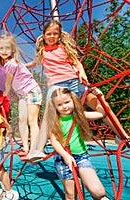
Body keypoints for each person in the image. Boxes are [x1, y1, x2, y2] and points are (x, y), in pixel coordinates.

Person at [26, 20, 129, 152]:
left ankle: (122, 136)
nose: (51, 37)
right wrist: (20, 65)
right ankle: (37, 150)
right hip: (57, 86)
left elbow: (76, 63)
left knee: (102, 105)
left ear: (59, 35)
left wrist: (83, 74)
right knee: (49, 115)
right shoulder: (42, 51)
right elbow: (34, 63)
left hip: (75, 82)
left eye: (55, 34)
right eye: (49, 34)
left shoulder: (63, 48)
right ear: (44, 35)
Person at [46, 87, 109, 200]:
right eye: (60, 104)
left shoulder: (80, 115)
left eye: (67, 102)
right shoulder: (54, 120)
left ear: (73, 100)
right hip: (62, 159)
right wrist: (65, 156)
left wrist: (100, 98)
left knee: (98, 192)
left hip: (81, 157)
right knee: (71, 195)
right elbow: (54, 141)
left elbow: (102, 114)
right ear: (54, 106)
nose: (64, 106)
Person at [0, 33, 45, 160]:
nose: (4, 51)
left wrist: (3, 96)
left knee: (32, 121)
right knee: (22, 120)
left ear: (13, 49)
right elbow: (33, 64)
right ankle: (25, 148)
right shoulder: (13, 64)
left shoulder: (12, 64)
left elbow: (7, 84)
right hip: (23, 95)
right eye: (1, 48)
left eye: (7, 48)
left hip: (32, 91)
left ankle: (35, 150)